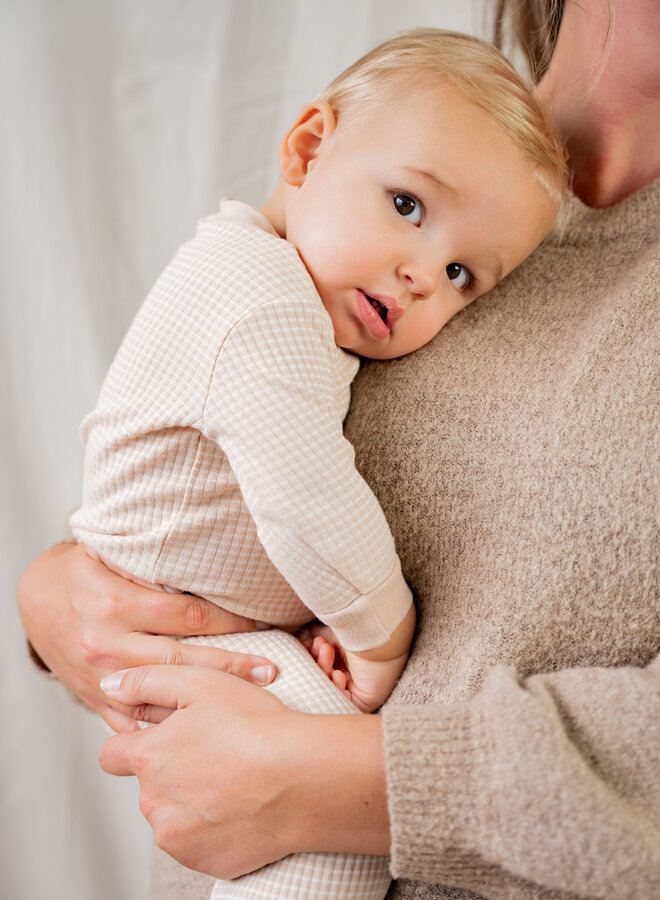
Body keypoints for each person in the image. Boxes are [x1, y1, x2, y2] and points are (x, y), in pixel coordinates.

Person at [16, 1, 660, 899]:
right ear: (309, 147)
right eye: (408, 208)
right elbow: (248, 471)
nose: (423, 277)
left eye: (460, 277)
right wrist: (64, 594)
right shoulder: (412, 140)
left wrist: (343, 781)